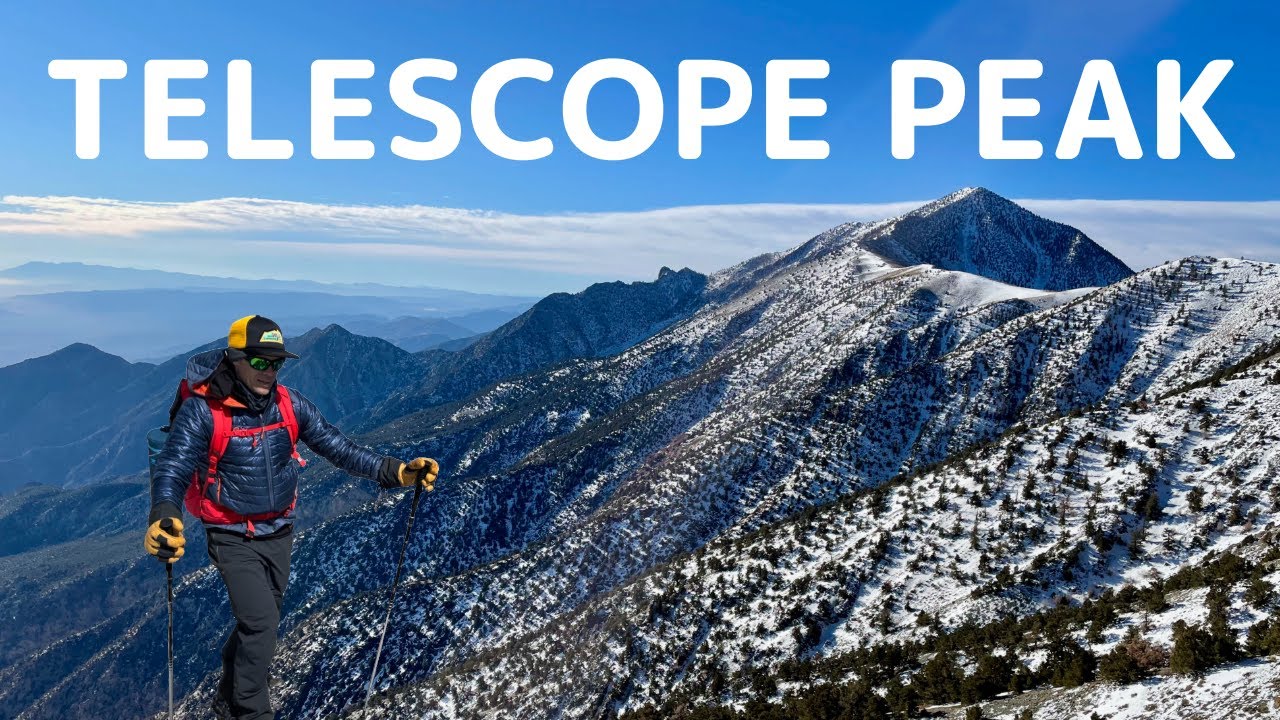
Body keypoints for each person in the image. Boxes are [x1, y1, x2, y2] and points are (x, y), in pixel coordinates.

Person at [143, 315, 438, 720]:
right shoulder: (203, 411)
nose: (270, 371)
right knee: (261, 622)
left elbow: (337, 446)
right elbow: (173, 467)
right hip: (230, 532)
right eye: (261, 362)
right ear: (235, 358)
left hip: (280, 529)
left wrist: (394, 472)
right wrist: (163, 514)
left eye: (277, 362)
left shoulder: (289, 404)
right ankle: (250, 711)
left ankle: (228, 695)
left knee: (259, 620)